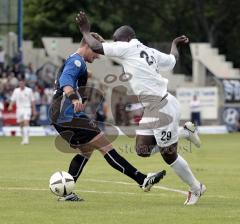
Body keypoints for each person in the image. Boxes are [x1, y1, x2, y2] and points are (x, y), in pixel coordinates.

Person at [76, 11, 205, 205]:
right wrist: (174, 44)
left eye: (116, 40)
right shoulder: (150, 51)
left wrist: (85, 29)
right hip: (153, 107)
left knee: (169, 156)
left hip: (162, 107)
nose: (115, 44)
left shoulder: (127, 47)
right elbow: (172, 59)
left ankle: (196, 188)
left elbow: (94, 45)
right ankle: (184, 132)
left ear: (126, 38)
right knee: (142, 150)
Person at [49, 32, 166, 201]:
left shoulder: (76, 61)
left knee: (86, 151)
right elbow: (66, 82)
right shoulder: (76, 61)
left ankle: (66, 192)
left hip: (60, 114)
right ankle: (142, 179)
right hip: (65, 114)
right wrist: (75, 99)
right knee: (105, 147)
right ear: (87, 45)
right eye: (96, 51)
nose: (97, 56)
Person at [8, 79, 36, 144]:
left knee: (26, 122)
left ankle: (26, 139)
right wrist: (10, 105)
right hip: (19, 109)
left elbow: (32, 101)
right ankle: (23, 138)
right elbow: (13, 99)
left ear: (24, 83)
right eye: (20, 83)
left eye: (22, 83)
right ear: (19, 84)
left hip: (27, 108)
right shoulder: (16, 91)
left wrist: (34, 110)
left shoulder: (29, 90)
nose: (21, 84)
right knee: (21, 124)